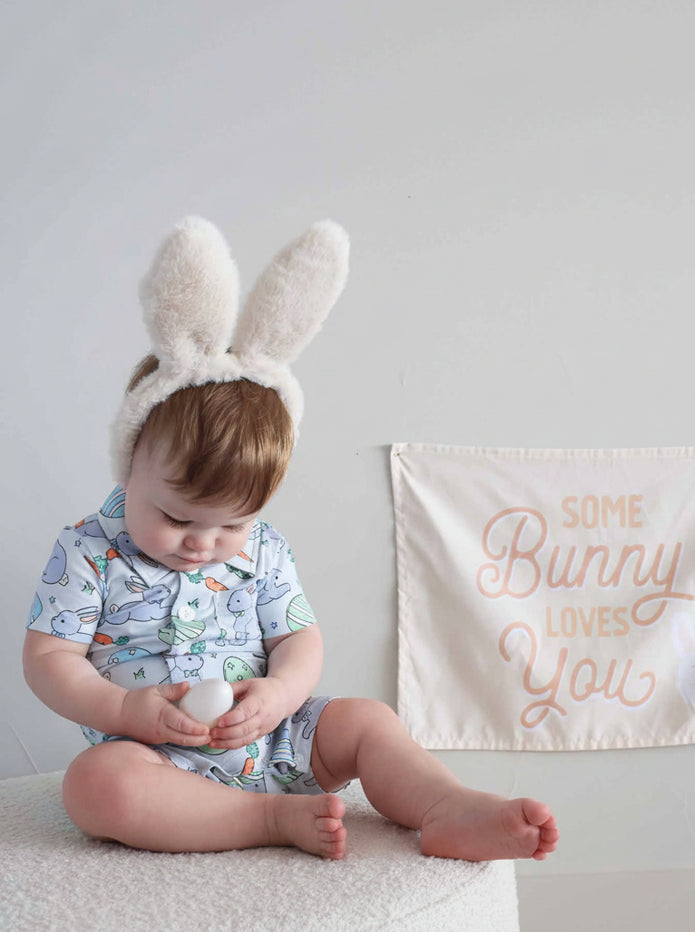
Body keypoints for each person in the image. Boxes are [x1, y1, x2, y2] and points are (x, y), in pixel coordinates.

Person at [23, 217, 559, 862]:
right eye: (178, 517)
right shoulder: (89, 552)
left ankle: (447, 805)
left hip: (278, 738)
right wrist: (123, 710)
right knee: (95, 787)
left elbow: (297, 638)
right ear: (127, 464)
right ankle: (267, 818)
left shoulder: (264, 549)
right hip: (156, 756)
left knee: (366, 721)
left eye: (231, 524)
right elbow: (50, 660)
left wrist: (280, 695)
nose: (202, 543)